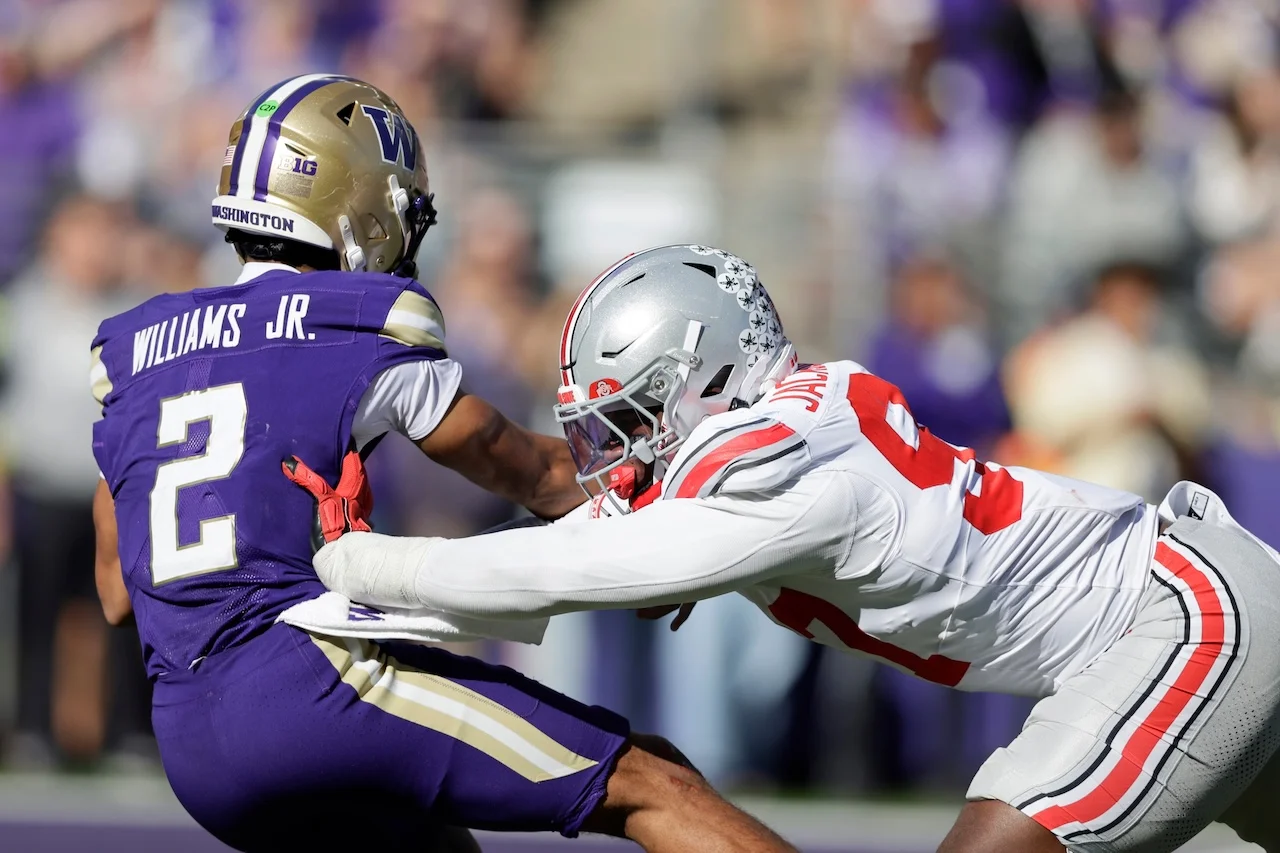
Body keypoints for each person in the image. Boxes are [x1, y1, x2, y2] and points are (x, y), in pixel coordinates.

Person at [303, 244, 1280, 853]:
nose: (615, 453)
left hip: (1181, 626)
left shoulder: (769, 460)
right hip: (1187, 609)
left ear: (705, 374)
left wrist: (350, 564)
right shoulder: (786, 425)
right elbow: (590, 531)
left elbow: (565, 571)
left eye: (632, 417)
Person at [89, 76, 795, 853]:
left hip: (189, 736)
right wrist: (674, 519)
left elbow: (120, 591)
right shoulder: (350, 326)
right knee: (654, 782)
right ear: (355, 207)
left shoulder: (138, 355)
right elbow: (532, 471)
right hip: (308, 687)